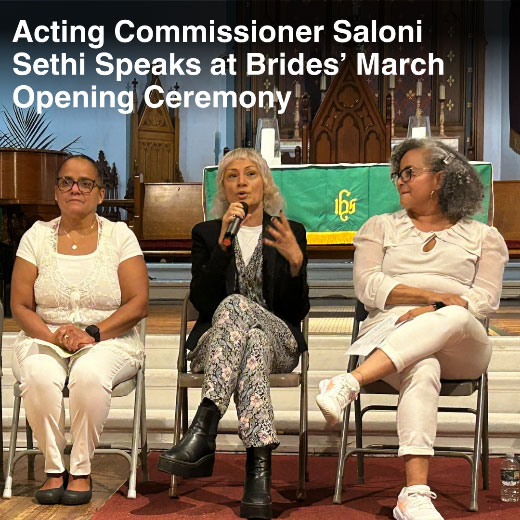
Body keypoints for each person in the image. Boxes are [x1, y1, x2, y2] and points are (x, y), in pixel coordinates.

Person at [316, 138, 508, 520]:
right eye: (397, 175)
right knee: (423, 367)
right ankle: (415, 495)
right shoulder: (380, 228)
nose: (400, 181)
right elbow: (369, 288)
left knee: (452, 317)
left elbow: (484, 301)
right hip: (391, 331)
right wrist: (432, 295)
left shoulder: (484, 236)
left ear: (440, 179)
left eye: (409, 172)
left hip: (463, 342)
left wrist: (431, 308)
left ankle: (349, 382)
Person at [157, 148, 309, 520]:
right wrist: (224, 244)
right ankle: (259, 475)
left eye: (251, 174)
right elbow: (204, 301)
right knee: (243, 328)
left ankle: (205, 425)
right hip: (219, 342)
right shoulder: (208, 233)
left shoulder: (289, 232)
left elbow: (295, 312)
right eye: (232, 176)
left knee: (242, 311)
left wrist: (295, 263)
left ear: (265, 183)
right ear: (223, 187)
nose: (242, 182)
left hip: (280, 340)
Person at [10, 155, 149, 505]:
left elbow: (137, 302)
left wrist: (94, 333)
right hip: (45, 335)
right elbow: (21, 306)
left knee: (89, 373)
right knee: (39, 372)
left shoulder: (120, 235)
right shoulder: (36, 236)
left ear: (100, 194)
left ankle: (82, 469)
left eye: (85, 183)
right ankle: (55, 469)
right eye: (66, 182)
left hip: (108, 338)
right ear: (56, 192)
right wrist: (51, 336)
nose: (75, 189)